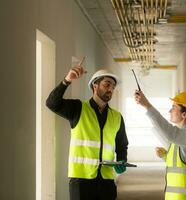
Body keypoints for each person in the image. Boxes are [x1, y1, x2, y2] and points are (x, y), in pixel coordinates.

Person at [46, 57, 128, 200]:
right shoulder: (78, 109)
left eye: (113, 87)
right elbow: (52, 103)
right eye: (107, 84)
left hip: (106, 181)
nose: (111, 89)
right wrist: (67, 81)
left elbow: (122, 145)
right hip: (81, 181)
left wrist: (122, 160)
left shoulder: (117, 117)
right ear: (95, 86)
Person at [134, 90, 186, 200]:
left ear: (184, 114)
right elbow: (182, 164)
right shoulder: (182, 137)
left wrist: (147, 105)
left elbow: (168, 131)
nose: (170, 111)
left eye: (174, 107)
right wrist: (165, 156)